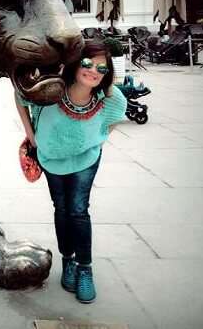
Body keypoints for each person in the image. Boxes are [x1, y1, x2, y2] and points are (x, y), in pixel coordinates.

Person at [14, 40, 126, 303]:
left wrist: (98, 139)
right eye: (87, 63)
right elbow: (20, 98)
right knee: (61, 209)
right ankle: (68, 261)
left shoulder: (109, 98)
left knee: (78, 210)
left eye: (101, 67)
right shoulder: (51, 90)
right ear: (76, 65)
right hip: (51, 157)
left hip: (85, 161)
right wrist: (32, 136)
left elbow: (116, 116)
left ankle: (85, 269)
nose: (93, 71)